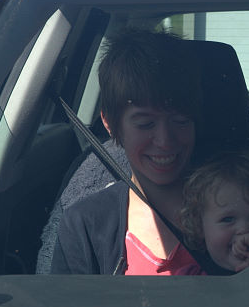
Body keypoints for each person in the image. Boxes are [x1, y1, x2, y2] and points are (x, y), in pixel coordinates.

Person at [51, 29, 207, 275]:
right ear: (110, 124)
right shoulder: (85, 225)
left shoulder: (242, 211)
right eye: (145, 124)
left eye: (180, 121)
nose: (165, 141)